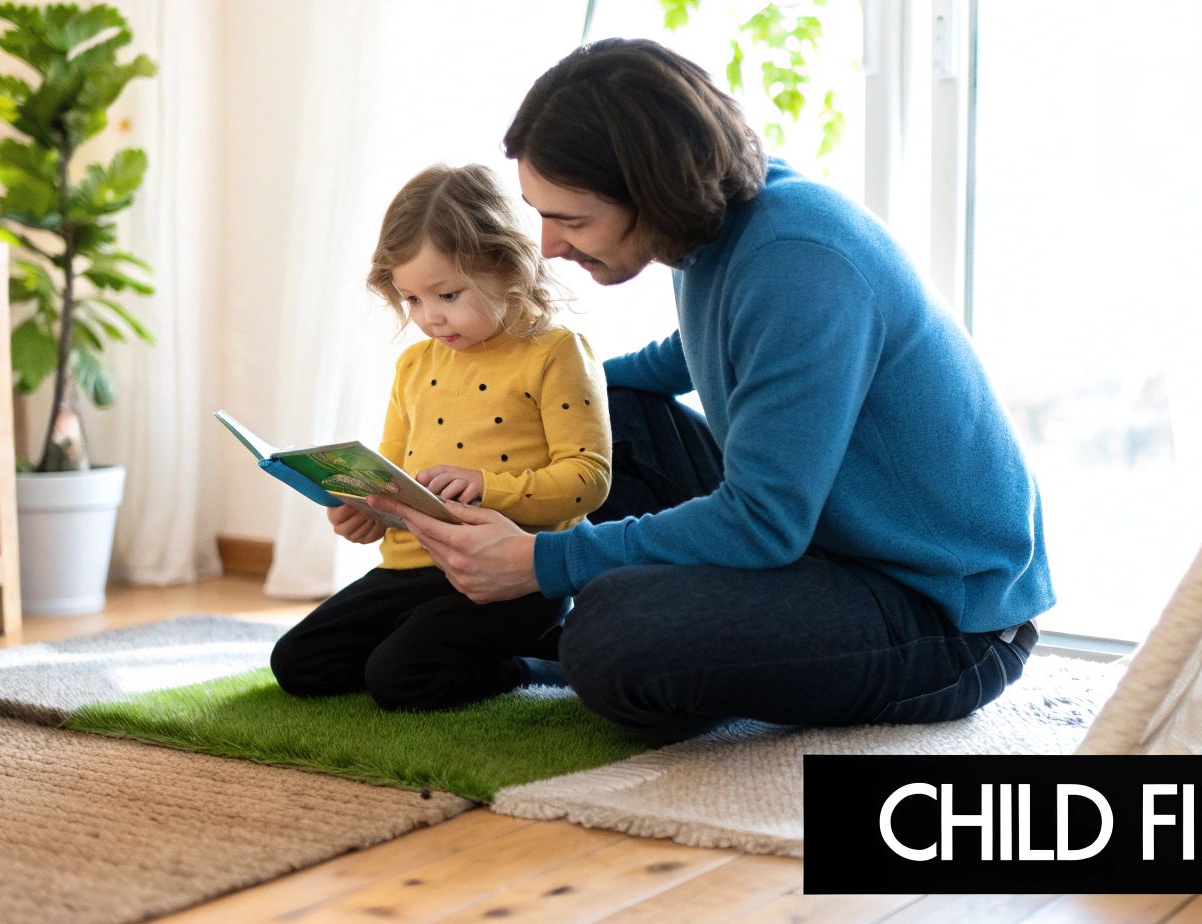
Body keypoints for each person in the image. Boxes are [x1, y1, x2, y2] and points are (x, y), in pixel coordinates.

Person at [379, 39, 1053, 743]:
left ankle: (618, 637)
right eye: (540, 214)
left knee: (612, 639)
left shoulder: (800, 262)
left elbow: (762, 520)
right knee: (612, 413)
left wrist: (547, 561)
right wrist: (530, 385)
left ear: (652, 190)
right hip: (822, 545)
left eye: (572, 220)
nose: (547, 246)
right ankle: (537, 622)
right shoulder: (711, 227)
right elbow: (692, 356)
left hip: (947, 617)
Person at [270, 163, 611, 711]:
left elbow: (587, 480)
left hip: (510, 576)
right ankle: (429, 639)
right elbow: (394, 469)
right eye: (412, 300)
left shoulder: (554, 351)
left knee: (397, 680)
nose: (430, 317)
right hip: (414, 565)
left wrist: (485, 485)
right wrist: (367, 509)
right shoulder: (413, 364)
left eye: (448, 294)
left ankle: (534, 661)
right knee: (298, 663)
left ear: (507, 266)